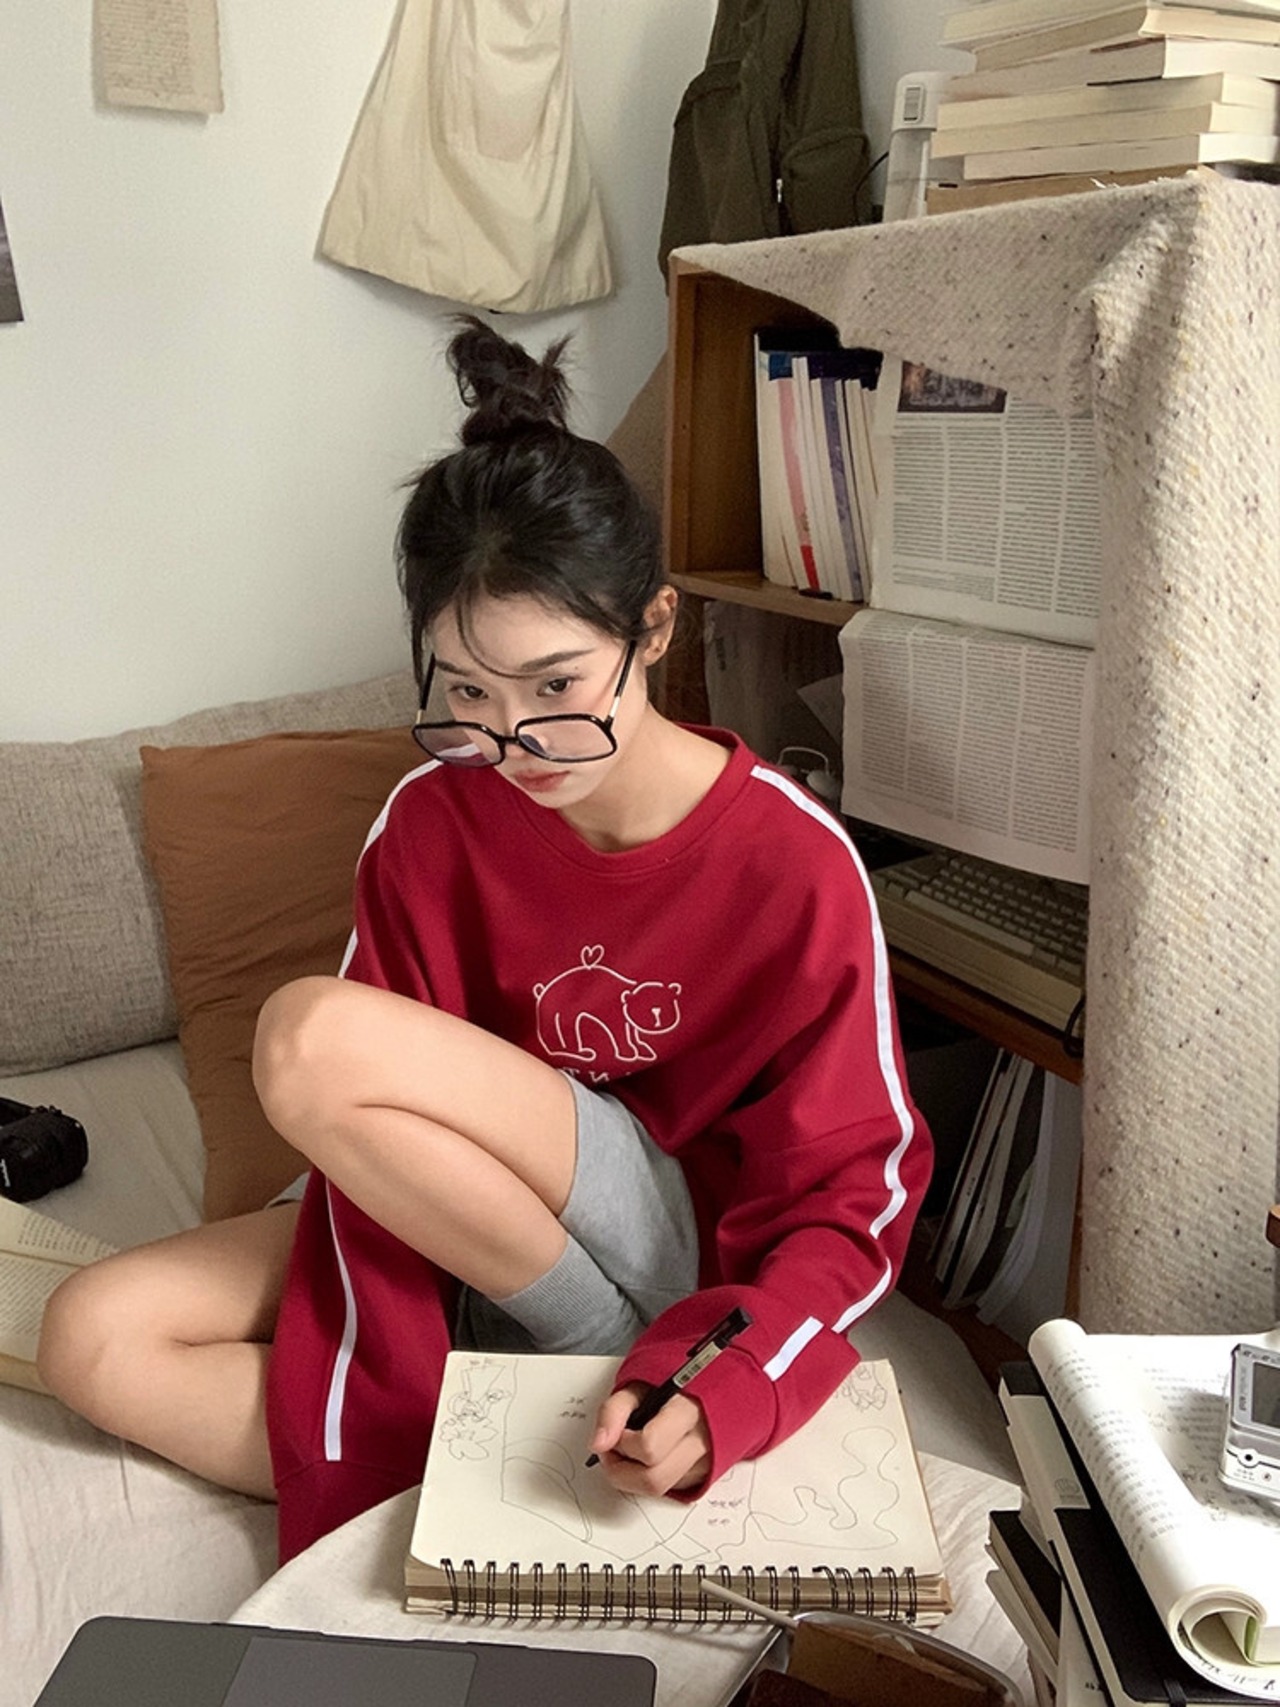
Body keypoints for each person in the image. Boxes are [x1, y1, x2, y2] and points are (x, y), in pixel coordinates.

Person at [38, 318, 931, 1562]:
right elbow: (377, 1141)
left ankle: (597, 1354)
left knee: (306, 1035)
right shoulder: (435, 813)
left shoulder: (790, 859)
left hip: (674, 1248)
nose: (514, 747)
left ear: (654, 629)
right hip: (465, 1232)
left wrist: (731, 1376)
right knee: (89, 1335)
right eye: (466, 692)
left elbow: (855, 1188)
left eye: (556, 687)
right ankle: (526, 1440)